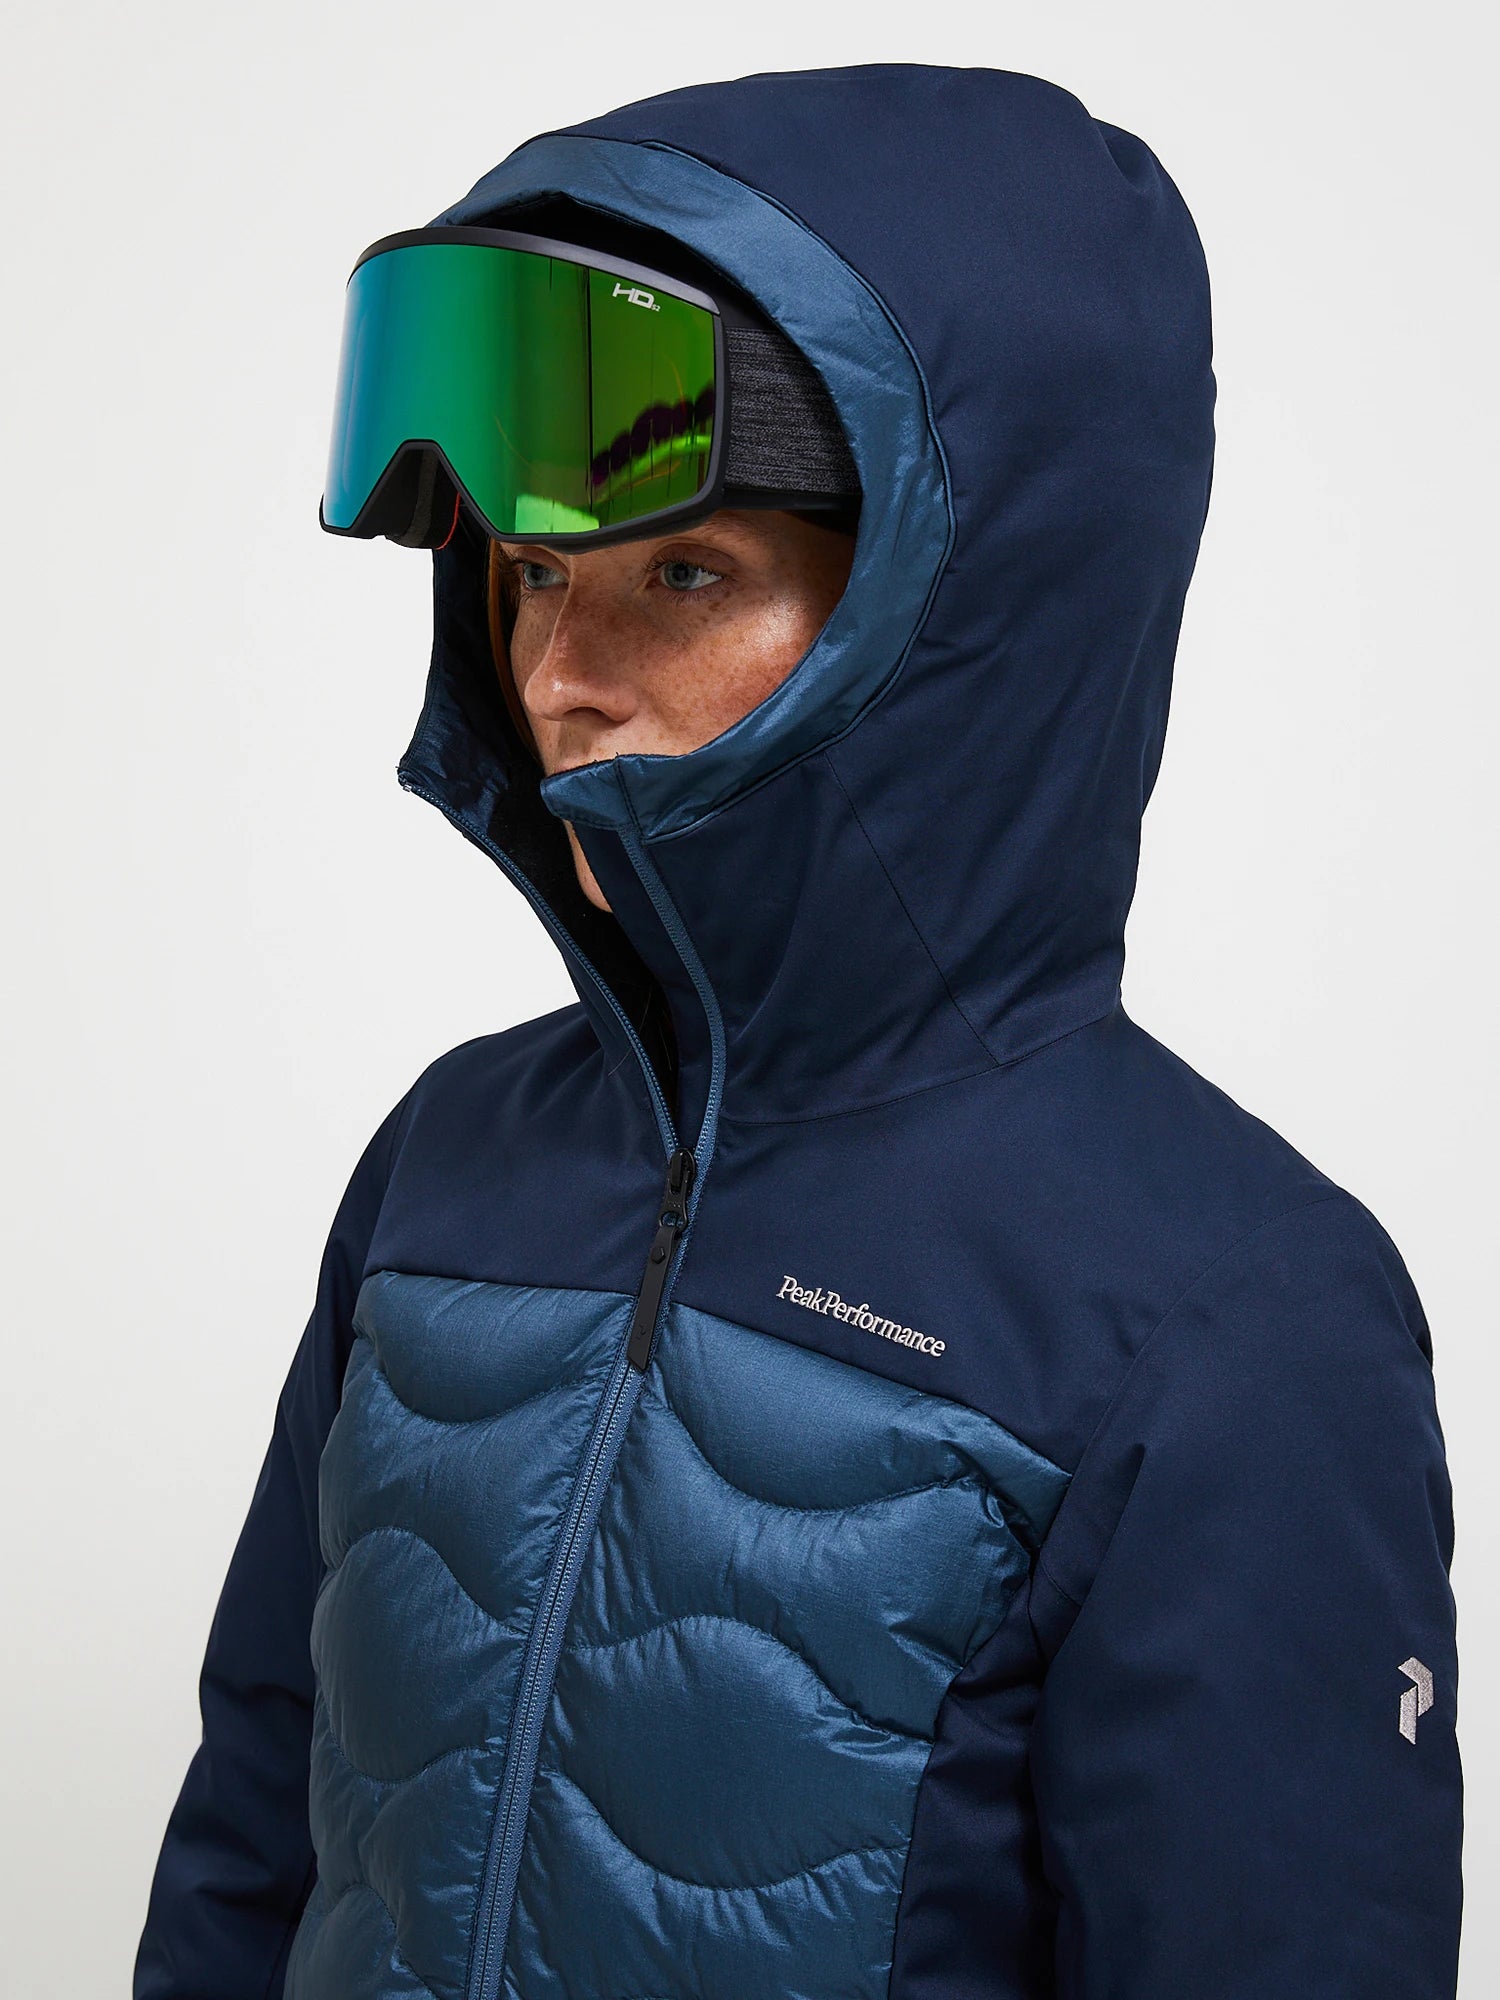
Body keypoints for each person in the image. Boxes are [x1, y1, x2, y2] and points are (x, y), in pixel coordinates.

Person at [134, 63, 1463, 2000]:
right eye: (532, 573)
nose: (561, 675)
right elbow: (253, 1843)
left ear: (952, 623)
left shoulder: (1236, 1316)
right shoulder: (448, 1165)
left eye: (686, 573)